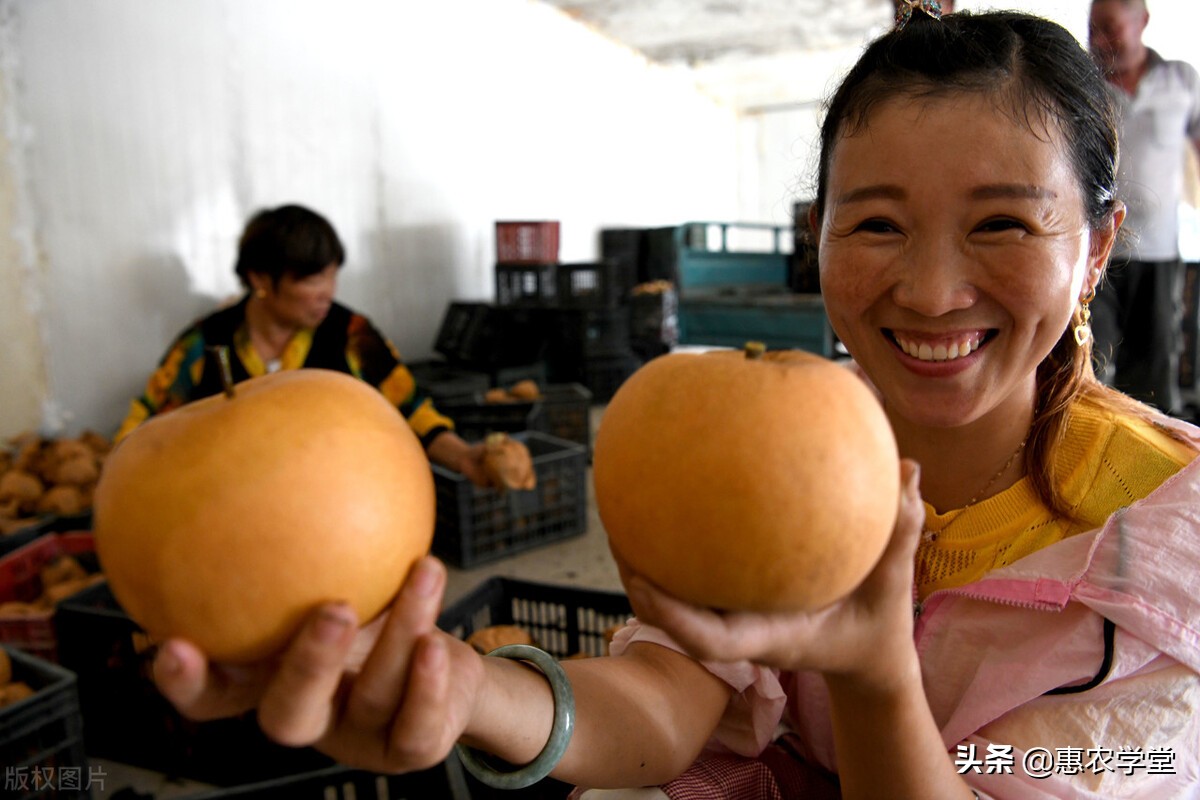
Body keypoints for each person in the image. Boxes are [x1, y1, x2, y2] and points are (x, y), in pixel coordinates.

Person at [150, 11, 1200, 800]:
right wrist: (463, 692)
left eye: (1006, 225)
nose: (929, 290)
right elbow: (673, 698)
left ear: (1099, 248)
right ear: (819, 236)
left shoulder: (1165, 538)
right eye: (876, 223)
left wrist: (875, 675)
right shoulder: (765, 450)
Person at [115, 204, 492, 485]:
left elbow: (410, 408)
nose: (327, 293)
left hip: (336, 502)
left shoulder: (350, 334)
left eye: (332, 276)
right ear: (260, 278)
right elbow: (145, 426)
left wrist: (464, 457)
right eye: (311, 280)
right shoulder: (205, 344)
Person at [1087, 0, 1200, 415]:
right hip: (1098, 251)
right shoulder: (1086, 84)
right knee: (1090, 363)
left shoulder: (1182, 81)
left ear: (1143, 22)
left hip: (1158, 252)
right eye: (1093, 28)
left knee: (1152, 369)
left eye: (1110, 29)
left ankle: (1155, 468)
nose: (1098, 40)